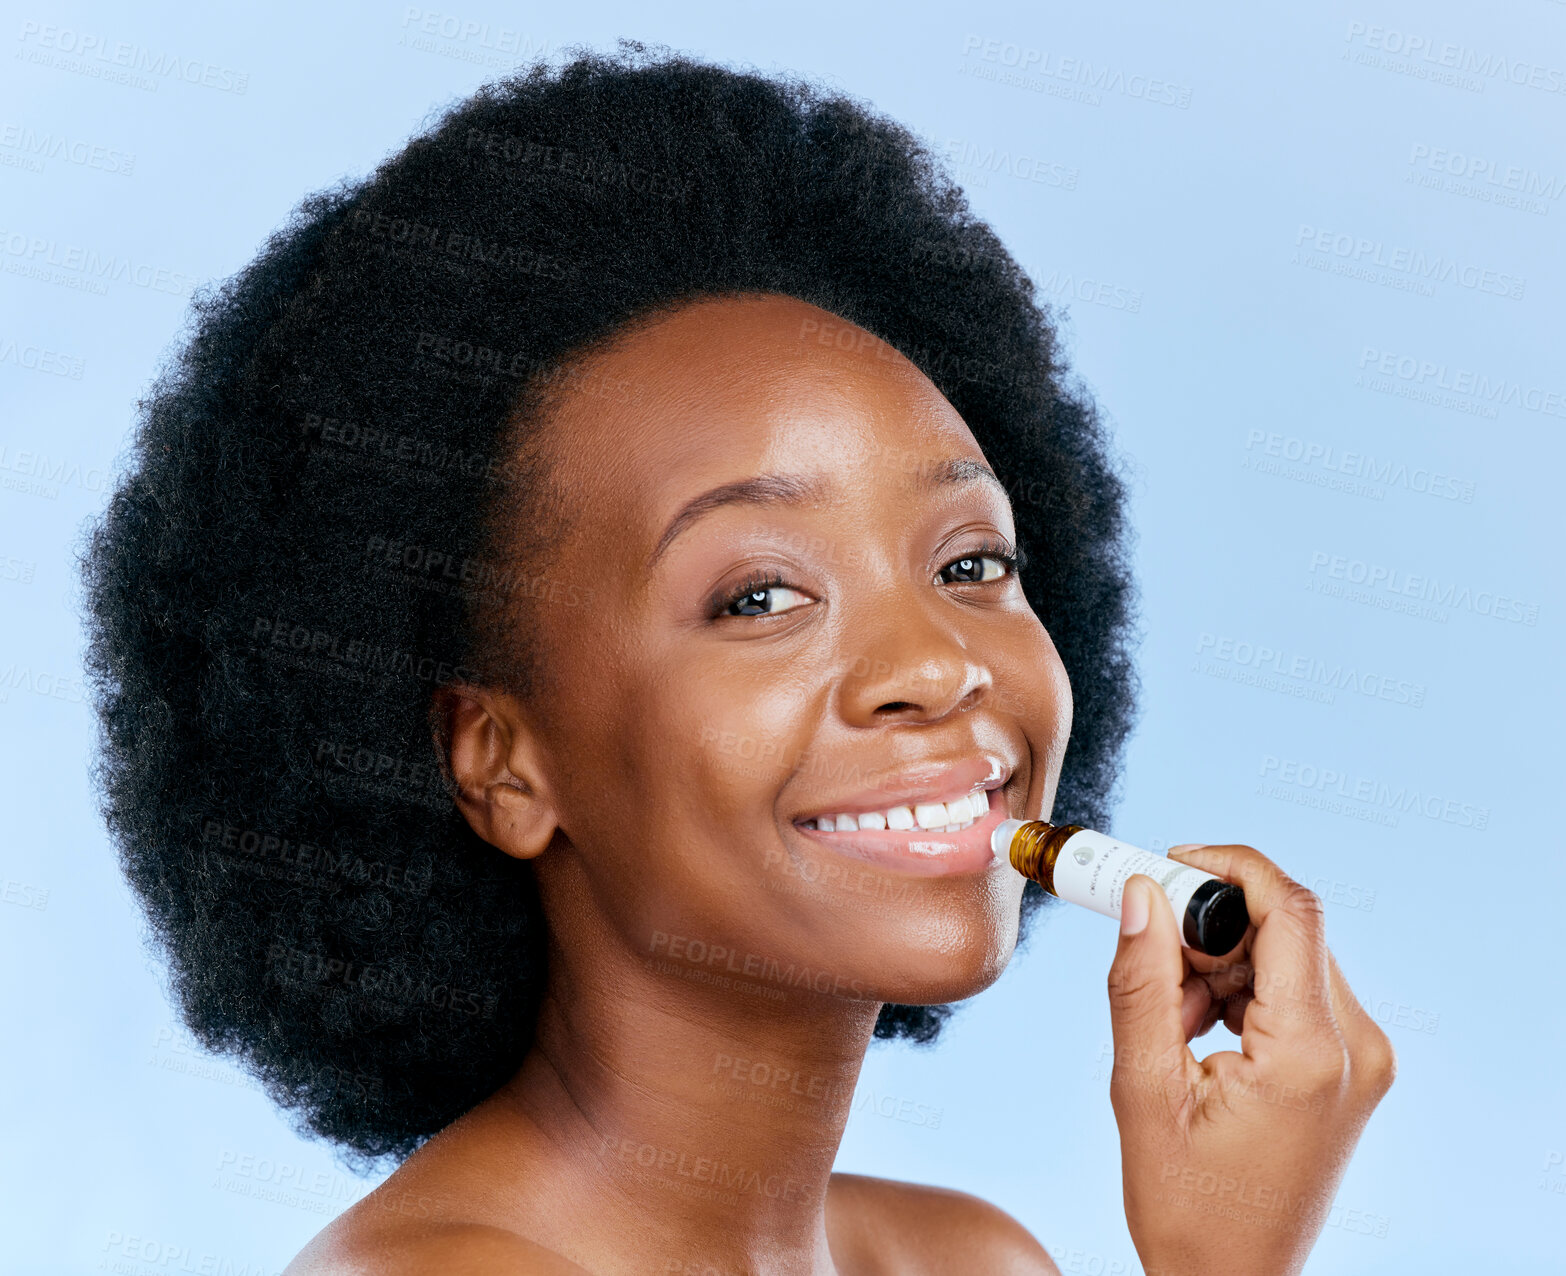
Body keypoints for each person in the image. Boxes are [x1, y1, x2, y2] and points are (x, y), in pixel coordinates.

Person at [79, 42, 1394, 1275]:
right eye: (761, 593)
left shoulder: (964, 1259)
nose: (935, 668)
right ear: (500, 762)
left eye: (969, 565)